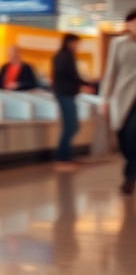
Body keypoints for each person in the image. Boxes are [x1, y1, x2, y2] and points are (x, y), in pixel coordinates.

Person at [99, 9, 136, 193]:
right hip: (122, 95)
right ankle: (131, 166)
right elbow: (110, 72)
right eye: (133, 22)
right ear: (128, 24)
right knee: (122, 137)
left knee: (133, 133)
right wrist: (104, 99)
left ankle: (130, 176)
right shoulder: (118, 44)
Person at [51, 33, 94, 172]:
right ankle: (62, 159)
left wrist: (83, 83)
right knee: (71, 126)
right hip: (65, 94)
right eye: (76, 44)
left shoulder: (66, 56)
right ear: (69, 43)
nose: (77, 46)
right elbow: (70, 75)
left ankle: (66, 157)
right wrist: (85, 83)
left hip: (67, 94)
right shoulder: (63, 57)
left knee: (71, 126)